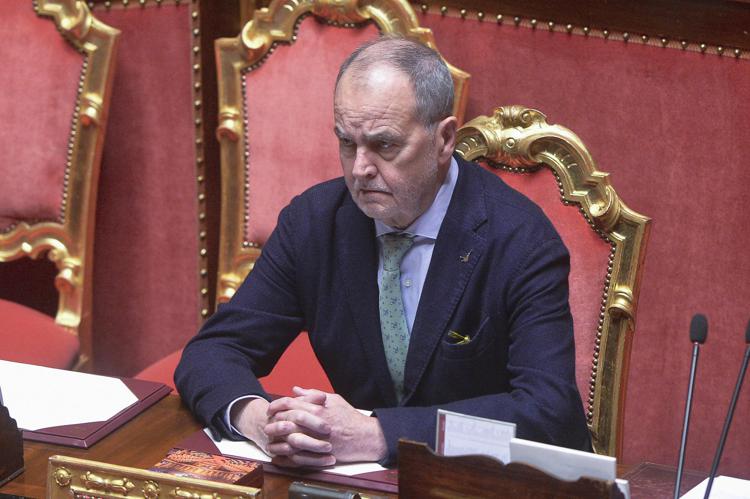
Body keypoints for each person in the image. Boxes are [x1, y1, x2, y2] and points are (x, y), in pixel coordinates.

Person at [175, 36, 590, 468]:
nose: (360, 169)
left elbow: (548, 414)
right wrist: (261, 421)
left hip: (493, 483)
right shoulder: (314, 223)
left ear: (444, 139)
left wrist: (380, 433)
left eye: (385, 145)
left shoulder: (519, 239)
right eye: (347, 143)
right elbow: (212, 352)